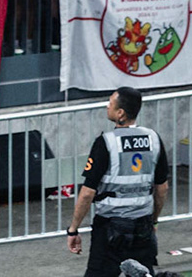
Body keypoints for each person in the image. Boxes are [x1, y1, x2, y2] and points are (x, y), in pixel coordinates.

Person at [68, 87, 170, 277]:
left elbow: (87, 193)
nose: (107, 107)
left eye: (110, 103)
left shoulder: (106, 142)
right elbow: (162, 188)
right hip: (143, 226)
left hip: (110, 229)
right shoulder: (154, 139)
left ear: (120, 113)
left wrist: (73, 229)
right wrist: (153, 220)